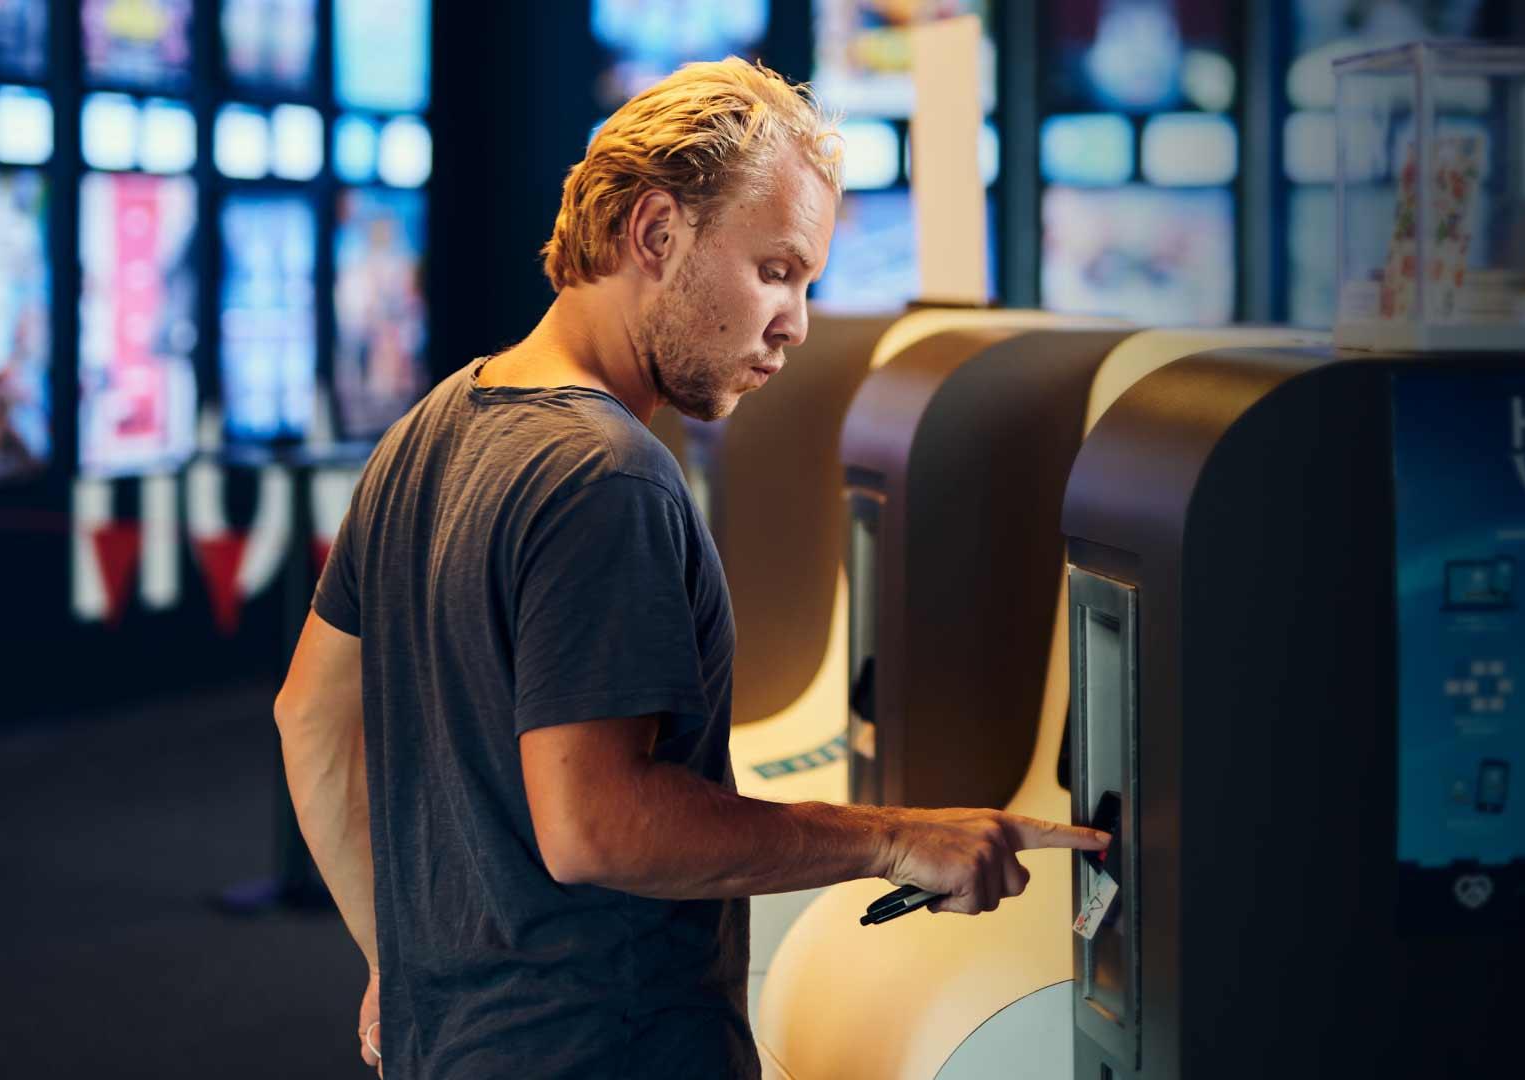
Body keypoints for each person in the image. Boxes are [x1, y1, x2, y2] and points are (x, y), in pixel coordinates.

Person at [274, 57, 1108, 1079]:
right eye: (776, 271)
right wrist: (895, 838)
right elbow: (598, 825)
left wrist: (399, 966)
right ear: (659, 234)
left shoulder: (430, 428)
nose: (796, 321)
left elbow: (309, 721)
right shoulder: (606, 477)